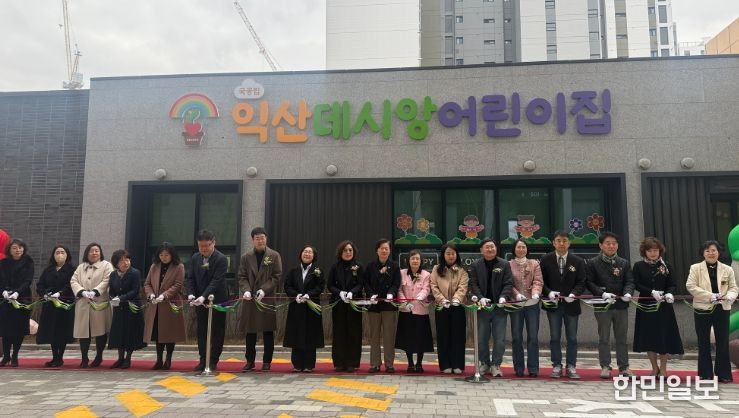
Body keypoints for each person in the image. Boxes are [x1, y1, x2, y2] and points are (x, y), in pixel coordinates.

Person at [686, 240, 738, 382]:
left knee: (722, 341)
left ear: (719, 252)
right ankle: (705, 373)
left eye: (714, 250)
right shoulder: (695, 268)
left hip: (722, 308)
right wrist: (710, 296)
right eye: (707, 251)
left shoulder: (727, 269)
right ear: (703, 253)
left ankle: (723, 374)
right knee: (703, 341)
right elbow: (691, 286)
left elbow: (734, 287)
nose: (711, 253)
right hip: (703, 308)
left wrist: (730, 296)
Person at [585, 231, 635, 379]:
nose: (611, 246)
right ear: (601, 245)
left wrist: (628, 293)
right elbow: (589, 282)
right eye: (608, 243)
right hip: (602, 305)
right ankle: (605, 366)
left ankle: (624, 367)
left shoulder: (624, 263)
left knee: (622, 338)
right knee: (604, 337)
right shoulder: (592, 263)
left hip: (621, 306)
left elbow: (630, 281)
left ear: (617, 245)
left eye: (614, 243)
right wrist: (602, 293)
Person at [632, 237, 684, 376]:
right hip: (646, 305)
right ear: (644, 252)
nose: (653, 253)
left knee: (663, 337)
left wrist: (669, 293)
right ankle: (654, 367)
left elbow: (672, 284)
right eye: (649, 251)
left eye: (655, 250)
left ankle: (664, 368)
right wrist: (651, 292)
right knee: (649, 337)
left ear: (660, 251)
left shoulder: (666, 265)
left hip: (663, 306)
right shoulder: (638, 266)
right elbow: (636, 283)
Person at [539, 231, 587, 379]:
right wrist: (548, 292)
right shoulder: (545, 259)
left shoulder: (578, 261)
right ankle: (556, 365)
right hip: (553, 305)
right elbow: (540, 281)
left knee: (572, 337)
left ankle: (571, 366)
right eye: (558, 240)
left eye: (564, 240)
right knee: (555, 336)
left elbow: (582, 281)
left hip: (571, 305)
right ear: (553, 243)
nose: (561, 243)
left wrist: (574, 294)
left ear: (569, 243)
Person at [238, 227, 283, 372]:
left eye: (262, 238)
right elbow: (242, 276)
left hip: (266, 298)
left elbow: (276, 276)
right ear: (252, 240)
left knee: (268, 331)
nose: (260, 241)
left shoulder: (274, 255)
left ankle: (267, 361)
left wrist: (264, 289)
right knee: (250, 331)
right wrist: (246, 290)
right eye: (257, 238)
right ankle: (250, 361)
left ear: (266, 239)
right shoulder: (246, 257)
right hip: (250, 298)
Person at [468, 238, 512, 377]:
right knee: (482, 338)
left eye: (492, 246)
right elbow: (473, 284)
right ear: (481, 250)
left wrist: (503, 297)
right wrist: (480, 297)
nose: (490, 249)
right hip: (483, 308)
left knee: (499, 339)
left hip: (499, 307)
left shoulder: (504, 264)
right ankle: (485, 363)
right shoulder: (476, 265)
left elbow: (508, 283)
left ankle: (496, 364)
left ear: (496, 248)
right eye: (487, 247)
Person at [186, 229, 229, 372]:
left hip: (218, 299)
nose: (203, 249)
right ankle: (203, 359)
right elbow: (190, 278)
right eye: (201, 246)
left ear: (213, 243)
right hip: (200, 300)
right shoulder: (195, 258)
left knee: (217, 330)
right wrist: (191, 294)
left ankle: (213, 360)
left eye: (206, 245)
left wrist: (203, 296)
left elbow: (216, 281)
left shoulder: (221, 259)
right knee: (202, 330)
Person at [143, 242, 186, 370]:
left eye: (166, 255)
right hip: (156, 305)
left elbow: (178, 285)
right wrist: (151, 294)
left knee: (170, 333)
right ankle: (158, 359)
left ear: (172, 255)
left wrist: (164, 295)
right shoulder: (154, 266)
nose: (164, 257)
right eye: (161, 255)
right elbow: (147, 283)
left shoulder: (179, 267)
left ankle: (168, 359)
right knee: (158, 334)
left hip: (170, 305)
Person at [71, 242, 113, 368]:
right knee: (84, 332)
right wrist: (81, 291)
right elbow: (73, 281)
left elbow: (107, 280)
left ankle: (99, 356)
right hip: (83, 303)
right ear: (87, 253)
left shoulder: (106, 265)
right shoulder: (81, 267)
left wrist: (95, 291)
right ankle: (84, 358)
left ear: (100, 253)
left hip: (99, 303)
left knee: (100, 330)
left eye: (96, 251)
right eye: (91, 251)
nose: (94, 253)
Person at [283, 245, 325, 372]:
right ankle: (297, 364)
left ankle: (309, 364)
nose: (307, 254)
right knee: (297, 334)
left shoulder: (318, 271)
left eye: (310, 252)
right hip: (297, 306)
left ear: (314, 256)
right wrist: (295, 295)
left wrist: (309, 295)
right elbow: (287, 286)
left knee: (311, 335)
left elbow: (320, 286)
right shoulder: (293, 271)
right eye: (305, 252)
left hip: (311, 307)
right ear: (301, 254)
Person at [364, 239, 401, 373]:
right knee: (374, 335)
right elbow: (366, 283)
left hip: (388, 305)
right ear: (377, 250)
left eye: (386, 248)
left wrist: (391, 293)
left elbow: (396, 283)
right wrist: (370, 294)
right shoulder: (370, 266)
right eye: (381, 248)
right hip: (374, 305)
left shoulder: (395, 266)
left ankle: (389, 364)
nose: (384, 250)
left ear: (390, 251)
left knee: (389, 336)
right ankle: (375, 363)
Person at [430, 244, 469, 374]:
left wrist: (457, 299)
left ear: (456, 255)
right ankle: (445, 364)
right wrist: (442, 299)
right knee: (443, 335)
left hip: (458, 307)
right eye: (448, 253)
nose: (451, 256)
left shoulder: (462, 270)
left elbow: (463, 286)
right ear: (443, 255)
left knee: (458, 336)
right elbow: (433, 286)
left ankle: (457, 364)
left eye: (453, 253)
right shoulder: (436, 269)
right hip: (442, 306)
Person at [36, 245, 76, 367]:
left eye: (62, 252)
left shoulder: (72, 269)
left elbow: (71, 284)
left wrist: (60, 293)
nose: (60, 255)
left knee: (62, 331)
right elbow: (40, 284)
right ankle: (54, 357)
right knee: (52, 332)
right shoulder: (48, 270)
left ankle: (60, 357)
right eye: (57, 252)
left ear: (67, 254)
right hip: (50, 305)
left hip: (64, 305)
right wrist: (44, 294)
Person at [326, 240, 363, 372]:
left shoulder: (358, 266)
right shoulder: (335, 267)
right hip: (339, 304)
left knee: (354, 333)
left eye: (350, 250)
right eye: (345, 250)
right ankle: (339, 362)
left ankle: (352, 362)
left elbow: (361, 283)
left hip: (354, 304)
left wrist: (352, 292)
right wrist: (339, 292)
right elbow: (330, 285)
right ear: (340, 252)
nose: (348, 252)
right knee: (339, 332)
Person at [508, 239, 543, 377]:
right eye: (518, 247)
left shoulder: (534, 264)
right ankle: (518, 368)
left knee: (533, 336)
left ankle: (533, 368)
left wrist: (535, 293)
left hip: (532, 304)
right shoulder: (509, 264)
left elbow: (538, 281)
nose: (521, 249)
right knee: (516, 336)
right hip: (516, 304)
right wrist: (516, 294)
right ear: (514, 249)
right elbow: (508, 283)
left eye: (523, 247)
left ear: (527, 249)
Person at [395, 249, 433, 373]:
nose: (415, 261)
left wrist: (418, 298)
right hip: (406, 310)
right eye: (412, 258)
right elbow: (399, 290)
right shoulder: (402, 273)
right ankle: (410, 363)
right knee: (408, 338)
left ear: (421, 261)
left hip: (420, 310)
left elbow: (426, 289)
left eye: (417, 258)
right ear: (408, 260)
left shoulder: (426, 274)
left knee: (421, 338)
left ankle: (419, 363)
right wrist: (405, 302)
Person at [107, 250, 146, 368]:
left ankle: (128, 359)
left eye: (127, 259)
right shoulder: (113, 275)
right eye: (122, 261)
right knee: (119, 332)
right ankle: (120, 358)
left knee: (130, 333)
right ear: (116, 263)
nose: (125, 263)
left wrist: (121, 298)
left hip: (132, 307)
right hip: (119, 308)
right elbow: (111, 290)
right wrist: (112, 298)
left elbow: (135, 290)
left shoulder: (135, 273)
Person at [0, 239, 34, 367]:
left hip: (22, 298)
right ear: (9, 250)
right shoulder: (3, 263)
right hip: (5, 299)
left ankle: (15, 355)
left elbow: (28, 280)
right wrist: (3, 291)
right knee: (5, 329)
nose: (18, 250)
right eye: (14, 248)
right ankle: (6, 356)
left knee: (19, 329)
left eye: (20, 247)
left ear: (23, 249)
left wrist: (17, 293)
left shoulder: (28, 262)